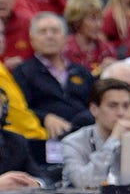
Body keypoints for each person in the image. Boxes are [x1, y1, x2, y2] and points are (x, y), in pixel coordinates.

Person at [14, 12, 93, 140]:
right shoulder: (23, 72)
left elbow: (95, 105)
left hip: (84, 137)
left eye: (55, 31)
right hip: (44, 140)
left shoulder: (81, 72)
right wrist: (45, 118)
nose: (49, 36)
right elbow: (20, 110)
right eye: (42, 32)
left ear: (65, 38)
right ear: (32, 40)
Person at [60, 78, 130, 189]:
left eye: (126, 106)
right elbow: (84, 184)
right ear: (94, 109)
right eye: (113, 106)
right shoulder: (72, 143)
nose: (121, 113)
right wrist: (113, 139)